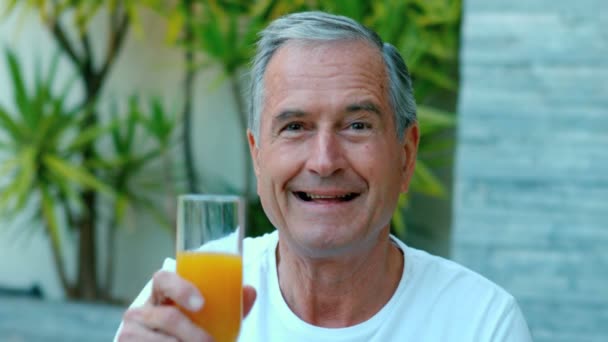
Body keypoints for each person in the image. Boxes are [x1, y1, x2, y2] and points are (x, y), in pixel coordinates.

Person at [115, 11, 532, 341]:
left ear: (406, 156)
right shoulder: (186, 308)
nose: (324, 161)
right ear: (258, 156)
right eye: (295, 127)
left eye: (357, 126)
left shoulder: (481, 323)